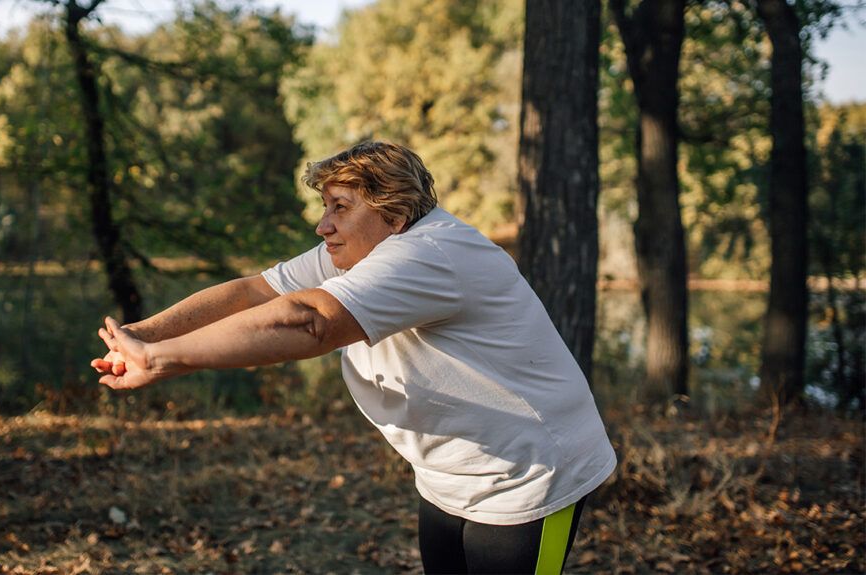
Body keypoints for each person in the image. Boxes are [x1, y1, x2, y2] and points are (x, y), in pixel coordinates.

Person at [91, 141, 617, 574]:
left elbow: (310, 321)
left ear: (394, 210)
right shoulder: (354, 251)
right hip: (448, 474)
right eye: (326, 207)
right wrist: (141, 334)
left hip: (529, 472)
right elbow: (255, 293)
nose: (323, 226)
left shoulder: (428, 255)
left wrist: (166, 359)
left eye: (340, 208)